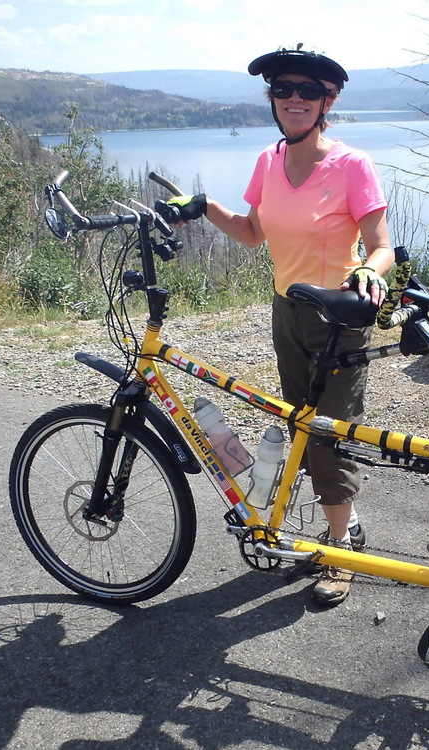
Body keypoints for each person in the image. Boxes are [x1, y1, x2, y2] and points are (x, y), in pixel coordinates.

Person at [166, 46, 394, 607]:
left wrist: (368, 268)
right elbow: (250, 232)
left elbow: (381, 246)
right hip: (286, 312)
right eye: (284, 88)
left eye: (308, 91)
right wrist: (202, 205)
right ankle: (348, 524)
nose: (294, 98)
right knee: (301, 425)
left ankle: (341, 552)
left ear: (328, 101)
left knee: (328, 435)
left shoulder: (351, 165)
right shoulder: (269, 161)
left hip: (337, 319)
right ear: (272, 98)